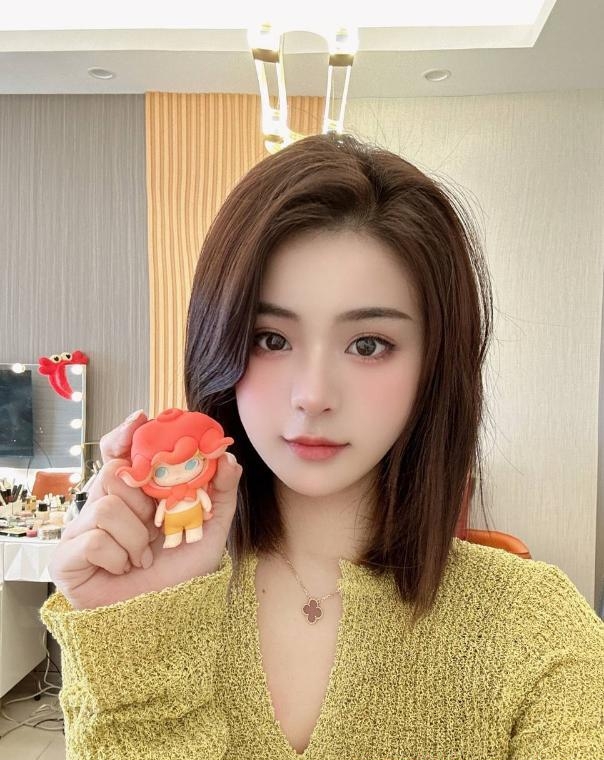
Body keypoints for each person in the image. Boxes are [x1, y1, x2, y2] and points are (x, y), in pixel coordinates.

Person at [42, 134, 604, 760]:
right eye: (270, 339)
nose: (312, 395)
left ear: (435, 364)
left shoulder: (534, 627)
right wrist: (142, 635)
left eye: (368, 344)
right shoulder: (147, 604)